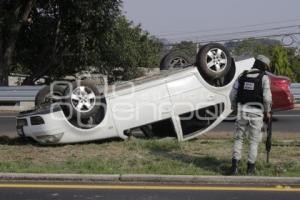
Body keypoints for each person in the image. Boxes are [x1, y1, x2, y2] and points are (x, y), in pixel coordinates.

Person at [229, 55, 272, 175]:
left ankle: (234, 168)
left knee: (239, 138)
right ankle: (250, 169)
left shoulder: (242, 76)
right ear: (263, 66)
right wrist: (267, 111)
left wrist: (234, 108)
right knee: (254, 141)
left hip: (242, 110)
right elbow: (267, 98)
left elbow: (232, 95)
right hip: (257, 113)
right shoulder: (264, 78)